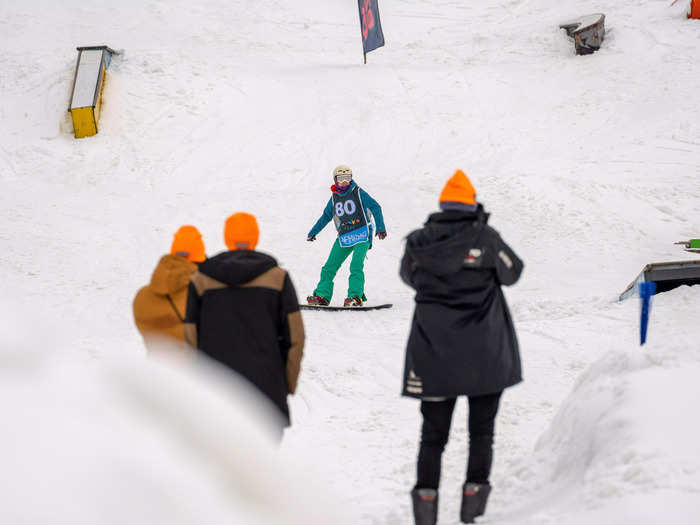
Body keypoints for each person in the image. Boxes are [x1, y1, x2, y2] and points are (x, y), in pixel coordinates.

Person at [399, 170, 524, 525]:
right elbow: (513, 273)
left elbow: (407, 277)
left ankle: (425, 509)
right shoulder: (485, 238)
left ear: (442, 205)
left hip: (433, 356)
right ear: (471, 204)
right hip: (485, 357)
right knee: (481, 431)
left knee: (432, 436)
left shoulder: (418, 243)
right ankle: (474, 511)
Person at [184, 212, 305, 432]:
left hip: (215, 393)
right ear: (255, 237)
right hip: (266, 395)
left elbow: (190, 338)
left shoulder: (201, 280)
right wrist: (285, 384)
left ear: (227, 238)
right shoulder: (278, 278)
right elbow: (295, 338)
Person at [306, 165, 387, 307]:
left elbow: (375, 207)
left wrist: (380, 228)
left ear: (351, 179)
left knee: (356, 265)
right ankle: (322, 296)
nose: (344, 182)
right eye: (341, 179)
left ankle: (355, 297)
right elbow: (326, 216)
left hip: (362, 234)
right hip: (344, 237)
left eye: (347, 178)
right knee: (329, 267)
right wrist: (313, 232)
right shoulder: (334, 198)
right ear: (335, 180)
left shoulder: (358, 192)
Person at [133, 225, 206, 353]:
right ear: (199, 260)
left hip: (157, 370)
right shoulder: (204, 297)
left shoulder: (141, 298)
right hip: (194, 371)